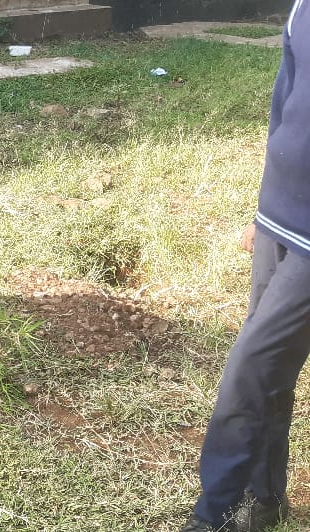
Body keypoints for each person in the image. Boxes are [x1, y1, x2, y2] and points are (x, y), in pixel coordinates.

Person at [182, 3, 310, 530]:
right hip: (280, 218)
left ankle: (213, 514)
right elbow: (286, 99)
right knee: (270, 375)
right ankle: (265, 498)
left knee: (250, 368)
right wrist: (263, 212)